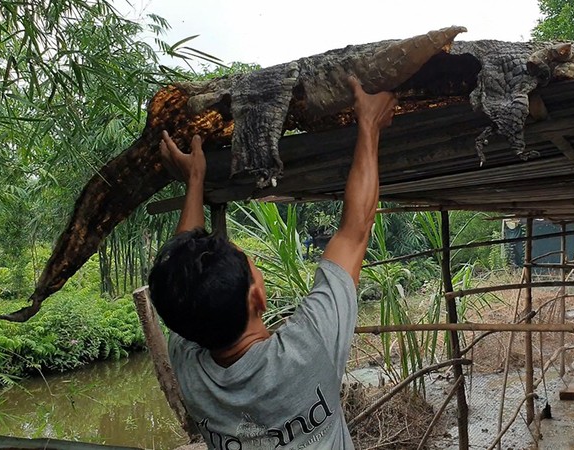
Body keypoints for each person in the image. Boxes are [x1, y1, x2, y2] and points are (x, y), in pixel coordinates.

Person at [148, 76, 397, 450]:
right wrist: (369, 125)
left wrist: (195, 180)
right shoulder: (307, 350)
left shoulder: (190, 366)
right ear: (257, 297)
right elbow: (354, 232)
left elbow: (182, 273)